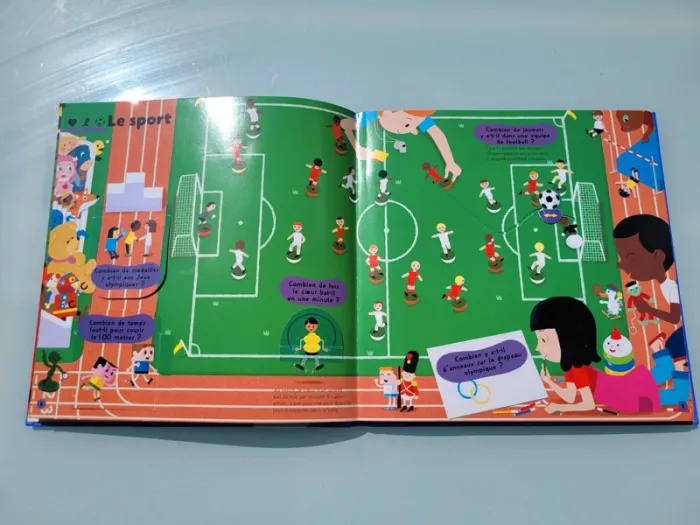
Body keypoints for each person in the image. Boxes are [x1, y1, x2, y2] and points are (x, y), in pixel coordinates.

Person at [531, 296, 660, 414]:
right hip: (620, 391)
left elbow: (588, 404)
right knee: (658, 386)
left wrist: (558, 407)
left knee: (661, 391)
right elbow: (570, 398)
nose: (537, 347)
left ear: (567, 338)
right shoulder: (572, 367)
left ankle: (660, 352)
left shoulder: (578, 369)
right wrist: (549, 382)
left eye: (543, 340)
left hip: (624, 394)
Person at [613, 213, 690, 406]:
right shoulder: (667, 284)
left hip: (683, 341)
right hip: (679, 340)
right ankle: (630, 389)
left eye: (631, 259)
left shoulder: (673, 288)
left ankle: (631, 393)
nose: (621, 265)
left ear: (658, 256)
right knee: (667, 363)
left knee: (673, 378)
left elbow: (674, 317)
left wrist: (650, 309)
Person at [340, 110, 462, 186]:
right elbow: (344, 124)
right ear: (387, 113)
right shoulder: (370, 114)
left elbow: (436, 133)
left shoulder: (414, 115)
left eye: (416, 125)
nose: (414, 131)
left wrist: (450, 162)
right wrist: (357, 147)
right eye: (407, 125)